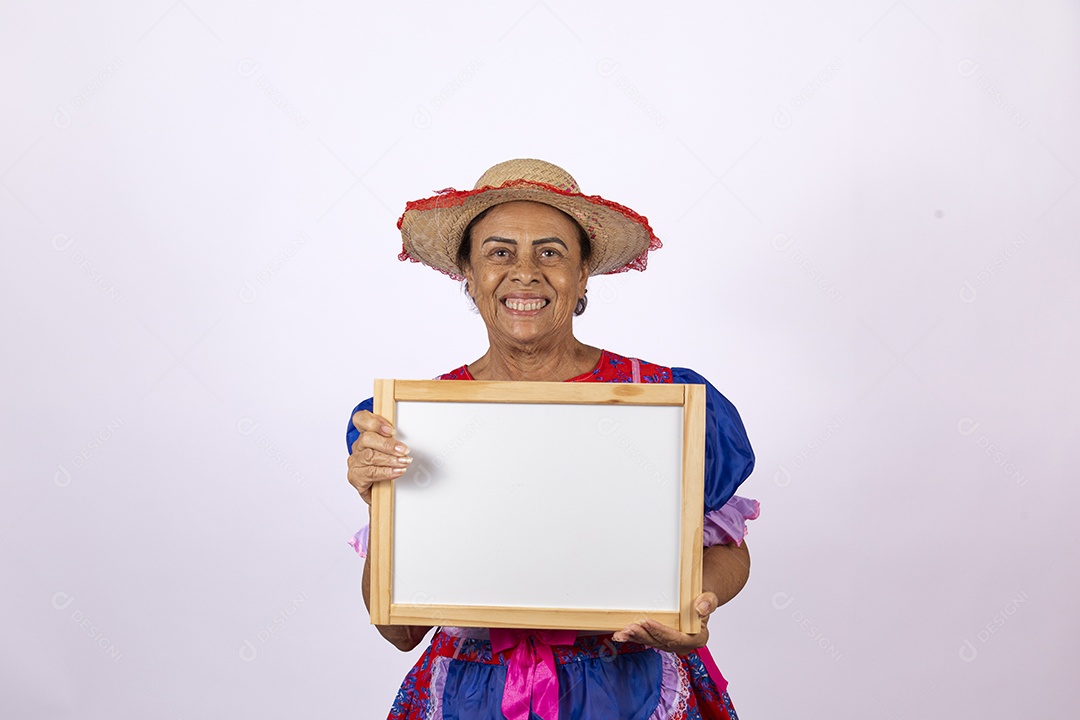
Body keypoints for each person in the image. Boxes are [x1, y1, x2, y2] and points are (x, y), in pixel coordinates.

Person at [346, 158, 759, 720]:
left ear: (583, 273)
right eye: (498, 252)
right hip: (475, 699)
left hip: (629, 689)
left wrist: (693, 607)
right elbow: (400, 631)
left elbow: (727, 551)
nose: (525, 272)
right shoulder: (419, 420)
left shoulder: (659, 398)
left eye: (550, 252)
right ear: (467, 274)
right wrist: (383, 500)